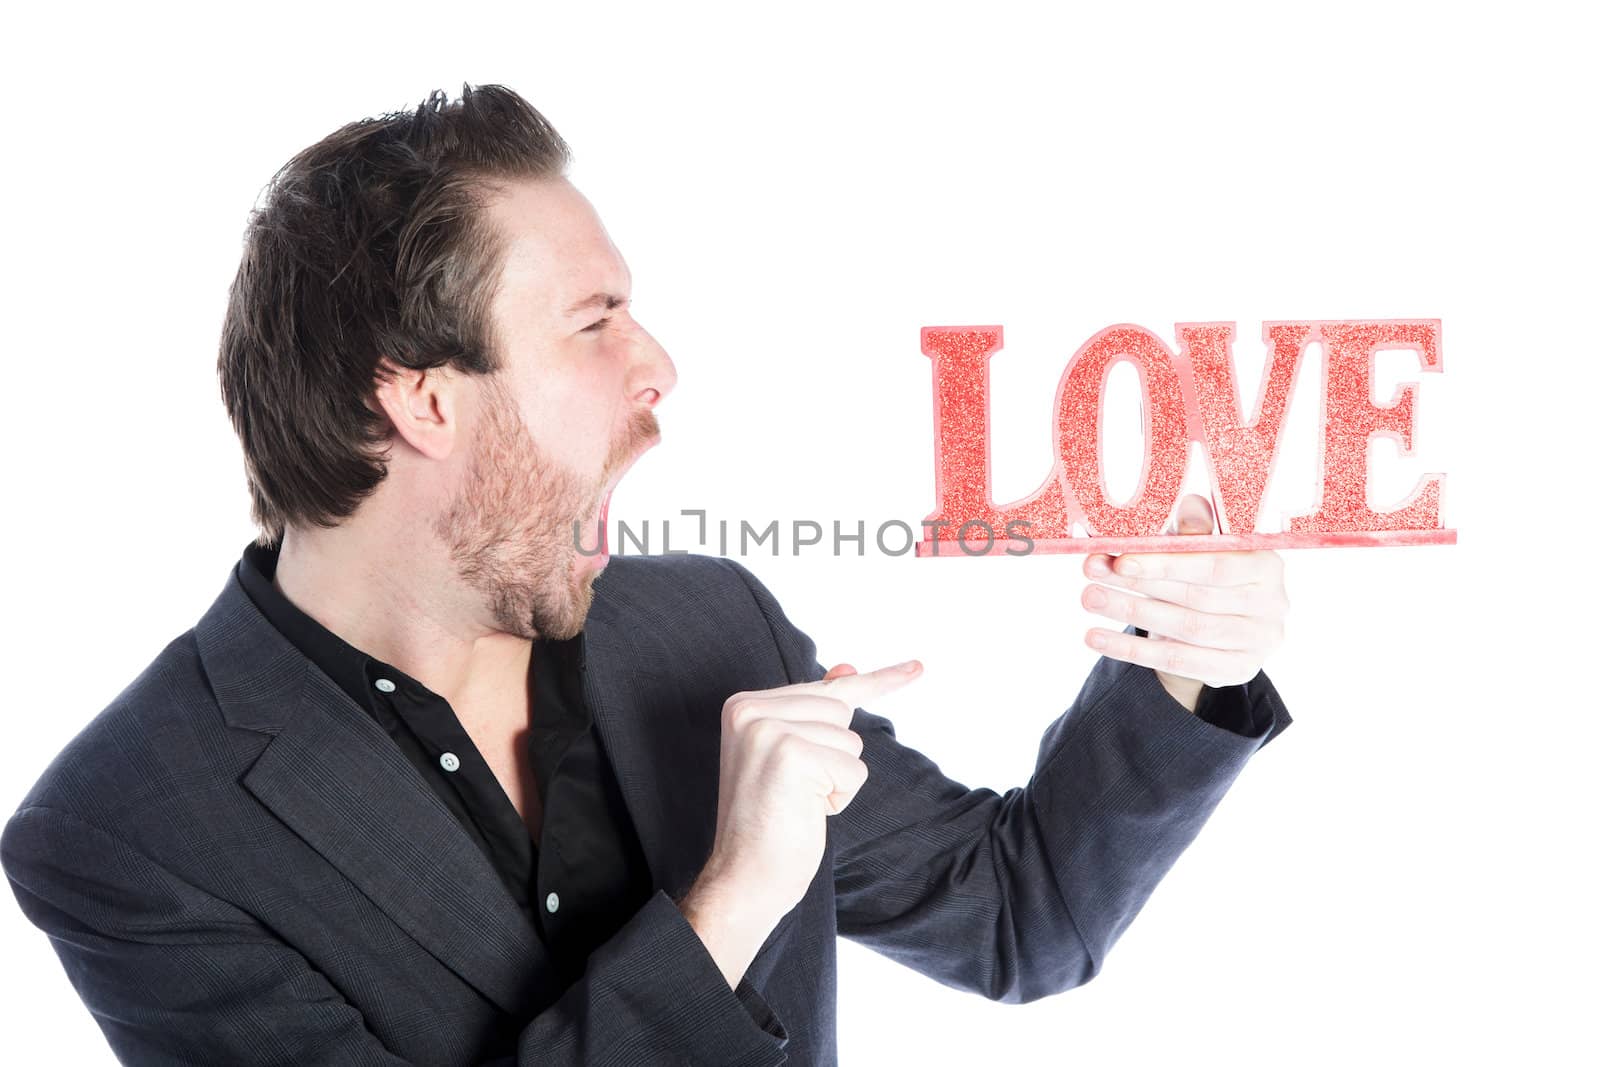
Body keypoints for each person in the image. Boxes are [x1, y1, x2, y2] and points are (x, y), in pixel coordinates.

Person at [0, 83, 1293, 1066]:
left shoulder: (699, 627)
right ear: (423, 402)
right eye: (593, 321)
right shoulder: (130, 834)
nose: (658, 364)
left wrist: (1190, 664)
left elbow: (1027, 916)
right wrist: (725, 907)